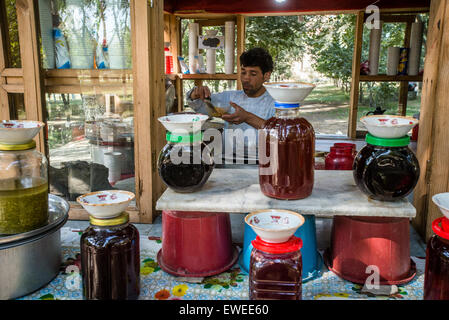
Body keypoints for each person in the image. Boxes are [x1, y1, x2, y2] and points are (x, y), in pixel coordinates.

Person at [185, 47, 275, 162]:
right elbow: (200, 105)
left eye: (253, 74)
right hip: (226, 160)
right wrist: (195, 93)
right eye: (243, 72)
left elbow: (279, 133)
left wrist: (247, 117)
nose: (246, 79)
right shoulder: (231, 97)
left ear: (266, 75)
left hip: (260, 163)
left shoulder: (275, 102)